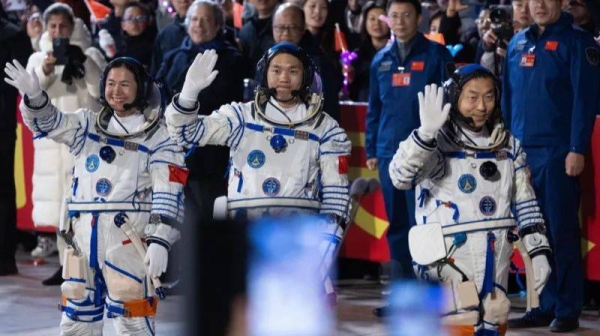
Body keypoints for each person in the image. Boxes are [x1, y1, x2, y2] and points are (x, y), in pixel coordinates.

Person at [4, 57, 186, 334]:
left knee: (132, 319)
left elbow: (169, 192)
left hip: (127, 241)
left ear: (142, 89)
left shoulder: (158, 139)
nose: (117, 91)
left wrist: (160, 240)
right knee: (77, 318)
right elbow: (50, 123)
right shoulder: (86, 126)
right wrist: (35, 95)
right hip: (82, 242)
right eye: (111, 83)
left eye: (125, 84)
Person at [165, 42, 351, 298]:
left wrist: (324, 248)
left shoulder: (325, 129)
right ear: (264, 73)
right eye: (276, 70)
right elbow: (185, 133)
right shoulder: (241, 117)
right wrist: (188, 95)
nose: (284, 77)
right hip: (245, 233)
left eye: (293, 71)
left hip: (297, 236)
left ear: (306, 76)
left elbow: (337, 197)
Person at [389, 64, 552, 335]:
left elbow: (525, 202)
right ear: (454, 98)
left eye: (489, 96)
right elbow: (400, 177)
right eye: (472, 97)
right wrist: (425, 135)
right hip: (448, 260)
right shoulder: (437, 143)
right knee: (456, 324)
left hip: (495, 256)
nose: (481, 106)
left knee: (493, 322)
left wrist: (538, 251)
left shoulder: (509, 146)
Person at [502, 0, 600, 331]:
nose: (539, 4)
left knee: (561, 232)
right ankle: (543, 304)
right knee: (532, 234)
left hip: (557, 153)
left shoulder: (578, 41)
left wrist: (576, 148)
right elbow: (507, 99)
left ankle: (568, 307)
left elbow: (584, 100)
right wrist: (506, 149)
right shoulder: (517, 42)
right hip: (521, 154)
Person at [366, 0, 453, 303]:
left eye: (406, 15)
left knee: (425, 221)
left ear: (419, 17)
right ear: (387, 19)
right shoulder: (380, 60)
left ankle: (429, 283)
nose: (400, 21)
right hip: (390, 152)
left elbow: (447, 104)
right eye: (394, 16)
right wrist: (372, 147)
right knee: (398, 222)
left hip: (427, 153)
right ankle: (402, 285)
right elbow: (374, 108)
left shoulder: (435, 55)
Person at [25, 2, 106, 286]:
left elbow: (103, 91)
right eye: (53, 26)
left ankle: (91, 266)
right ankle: (66, 266)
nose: (58, 31)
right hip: (52, 146)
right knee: (61, 208)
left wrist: (83, 62)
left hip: (85, 142)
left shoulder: (90, 53)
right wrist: (46, 72)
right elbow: (30, 98)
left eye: (64, 26)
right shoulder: (37, 59)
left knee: (87, 209)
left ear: (74, 27)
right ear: (47, 28)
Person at [0, 4, 33, 276]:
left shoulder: (12, 35)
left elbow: (21, 78)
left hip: (2, 122)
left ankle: (3, 257)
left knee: (2, 190)